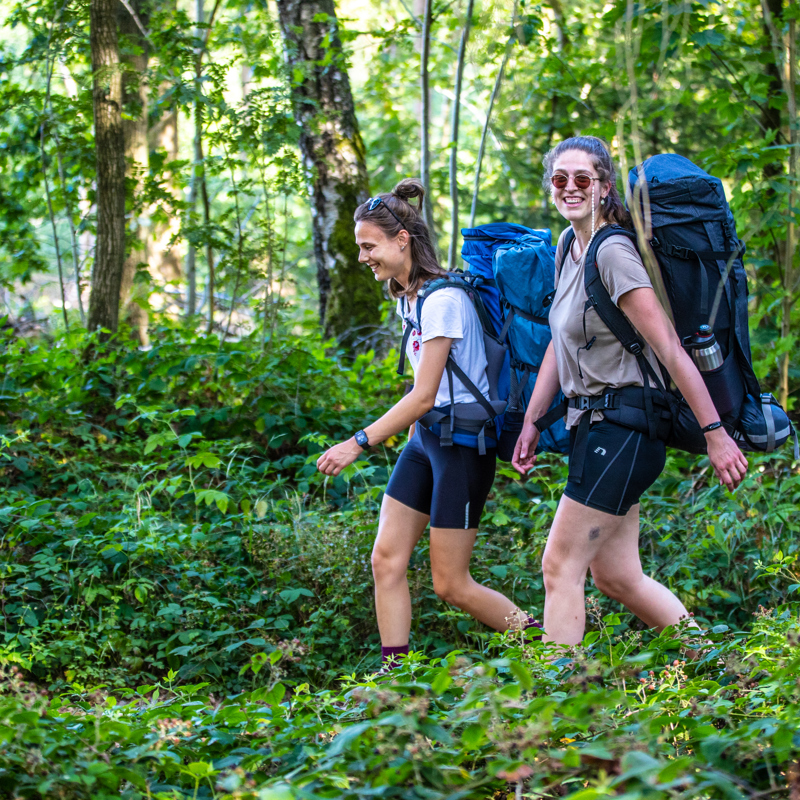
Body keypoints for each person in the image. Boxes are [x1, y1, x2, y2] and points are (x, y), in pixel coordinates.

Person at [512, 136, 748, 646]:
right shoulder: (567, 246)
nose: (570, 188)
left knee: (560, 566)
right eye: (560, 179)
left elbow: (669, 348)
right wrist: (532, 420)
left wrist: (715, 434)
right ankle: (718, 668)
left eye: (583, 179)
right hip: (596, 425)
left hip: (625, 426)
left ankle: (554, 709)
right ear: (550, 185)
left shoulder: (613, 251)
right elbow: (561, 337)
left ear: (603, 186)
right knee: (617, 578)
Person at [316, 178, 537, 668]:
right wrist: (415, 429)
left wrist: (358, 442)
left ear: (402, 241)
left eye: (368, 246)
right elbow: (425, 395)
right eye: (359, 247)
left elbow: (423, 395)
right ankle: (395, 680)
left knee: (451, 584)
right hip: (428, 439)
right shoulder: (407, 296)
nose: (362, 257)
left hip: (461, 446)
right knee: (386, 560)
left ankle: (550, 652)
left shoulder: (442, 301)